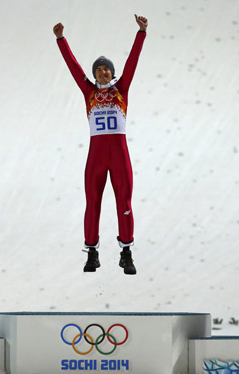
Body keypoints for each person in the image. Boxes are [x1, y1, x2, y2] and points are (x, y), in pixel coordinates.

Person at [53, 15, 148, 275]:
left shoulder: (122, 88)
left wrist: (141, 33)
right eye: (98, 69)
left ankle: (126, 252)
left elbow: (132, 62)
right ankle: (92, 253)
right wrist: (61, 40)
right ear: (94, 75)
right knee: (92, 201)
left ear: (113, 73)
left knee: (124, 203)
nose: (103, 72)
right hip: (96, 155)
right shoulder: (90, 93)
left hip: (119, 154)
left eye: (106, 69)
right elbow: (74, 68)